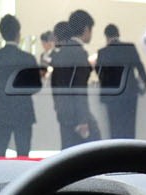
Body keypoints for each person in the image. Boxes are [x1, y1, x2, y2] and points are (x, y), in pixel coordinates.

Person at [0, 14, 39, 157]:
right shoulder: (28, 58)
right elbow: (36, 86)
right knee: (23, 153)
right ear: (18, 33)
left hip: (1, 108)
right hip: (23, 109)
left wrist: (2, 89)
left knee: (0, 152)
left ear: (2, 34)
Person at [51, 10, 100, 149]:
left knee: (67, 152)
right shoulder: (79, 53)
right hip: (77, 116)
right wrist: (83, 120)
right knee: (93, 149)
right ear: (86, 29)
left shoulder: (61, 52)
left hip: (63, 112)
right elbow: (79, 88)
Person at [96, 24, 146, 140]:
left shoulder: (103, 52)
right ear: (118, 34)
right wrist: (144, 85)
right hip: (129, 94)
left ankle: (116, 149)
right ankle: (129, 149)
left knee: (115, 128)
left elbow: (100, 74)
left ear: (106, 36)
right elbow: (140, 67)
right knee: (129, 128)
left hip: (112, 96)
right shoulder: (130, 48)